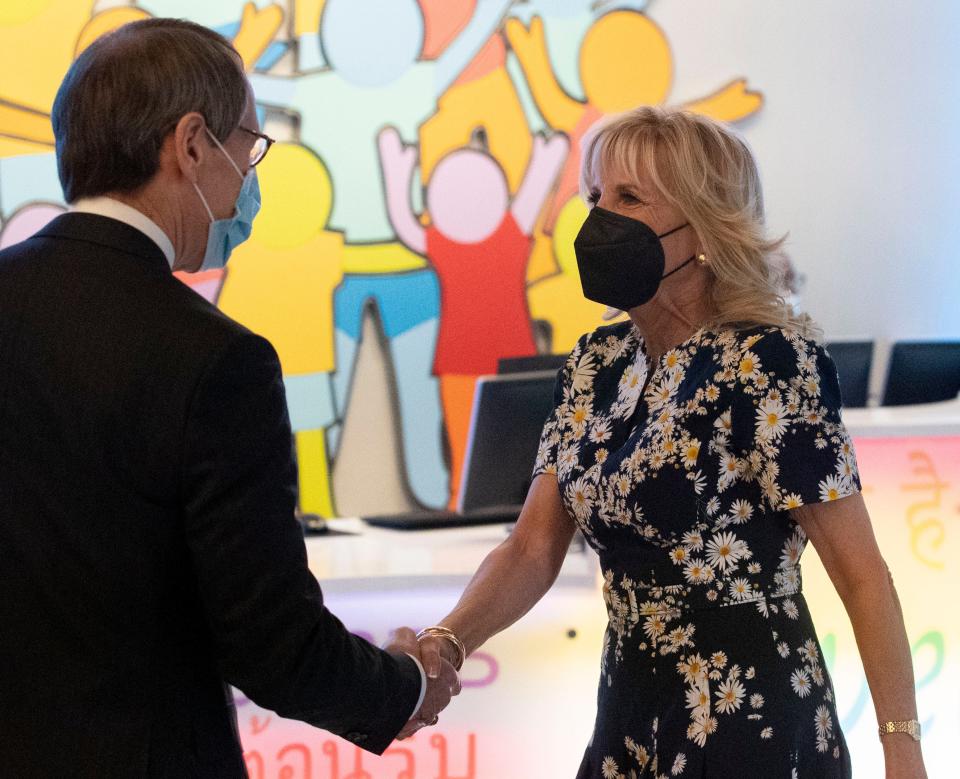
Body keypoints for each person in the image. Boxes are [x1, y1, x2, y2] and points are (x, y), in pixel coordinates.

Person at [0, 19, 458, 778]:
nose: (250, 173)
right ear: (189, 144)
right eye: (250, 145)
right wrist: (405, 686)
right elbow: (271, 640)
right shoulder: (217, 359)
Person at [416, 107, 928, 777]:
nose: (600, 217)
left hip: (754, 719)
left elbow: (861, 571)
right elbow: (531, 547)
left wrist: (902, 746)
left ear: (704, 225)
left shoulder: (766, 361)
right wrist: (448, 641)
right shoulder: (596, 364)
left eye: (629, 197)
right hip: (627, 716)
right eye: (597, 196)